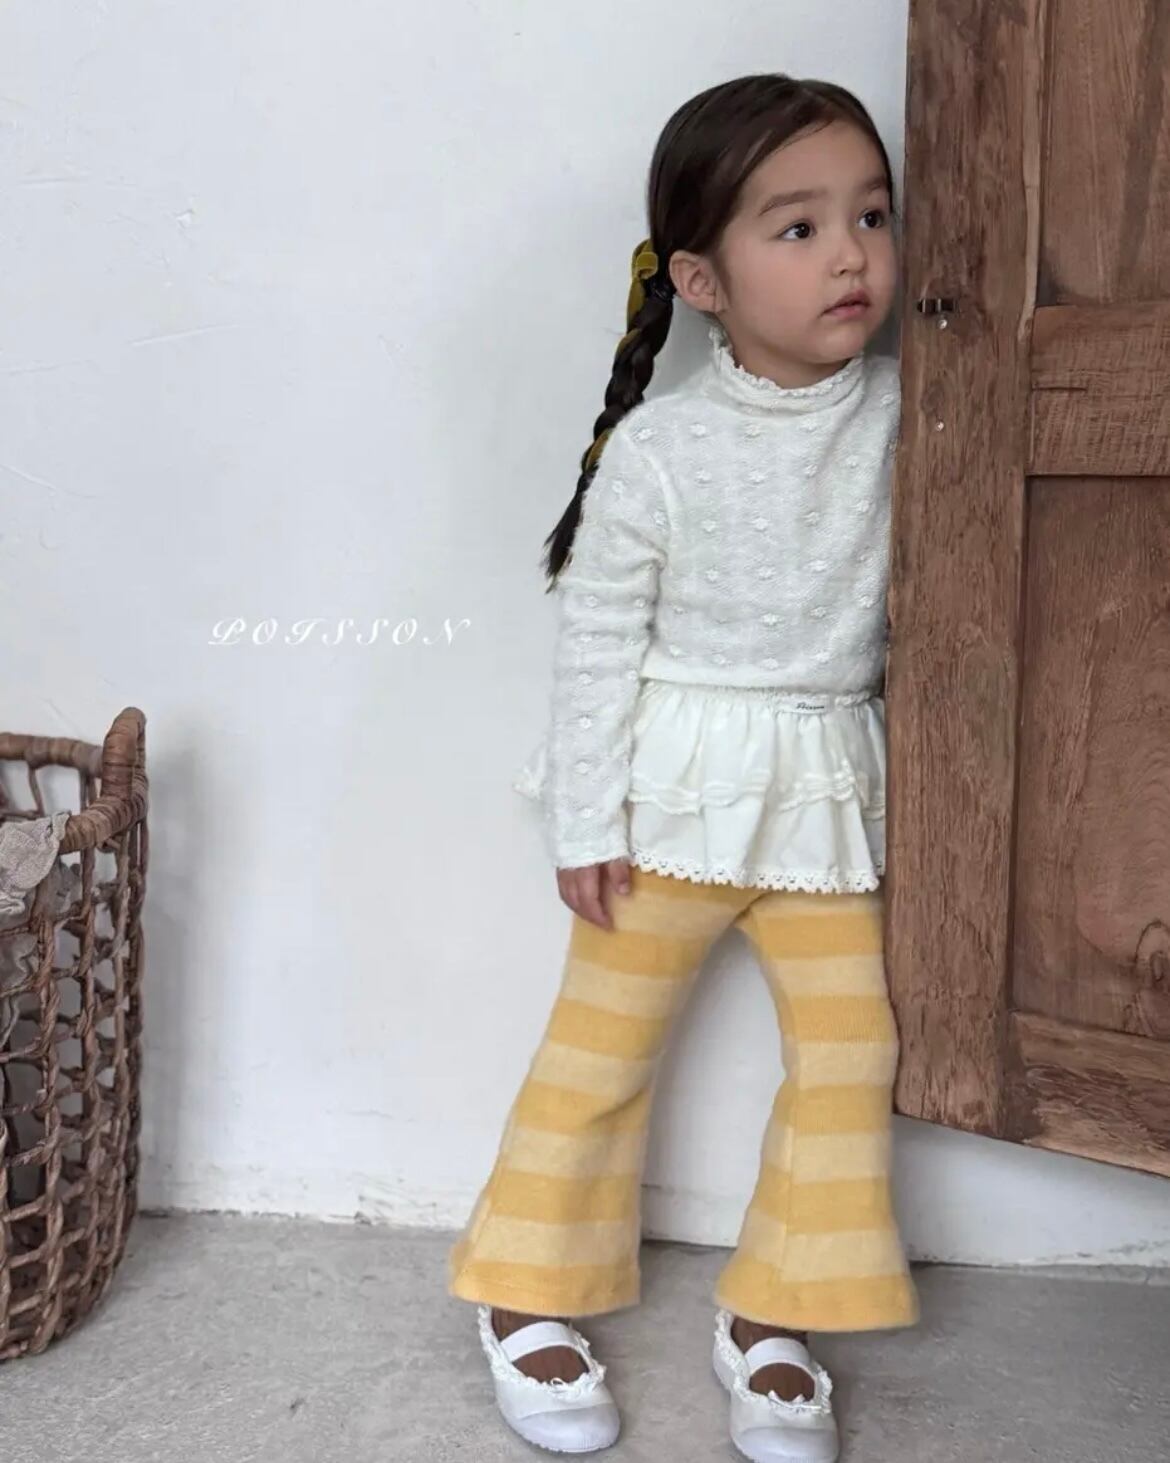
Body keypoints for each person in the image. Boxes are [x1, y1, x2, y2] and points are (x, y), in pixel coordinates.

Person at [448, 71, 919, 1463]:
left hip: (828, 802)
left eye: (872, 215)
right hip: (667, 803)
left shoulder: (918, 419)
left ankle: (777, 1310)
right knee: (599, 1054)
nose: (850, 255)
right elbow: (598, 644)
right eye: (799, 228)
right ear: (700, 281)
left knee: (853, 1056)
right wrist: (585, 820)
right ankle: (524, 1291)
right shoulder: (658, 452)